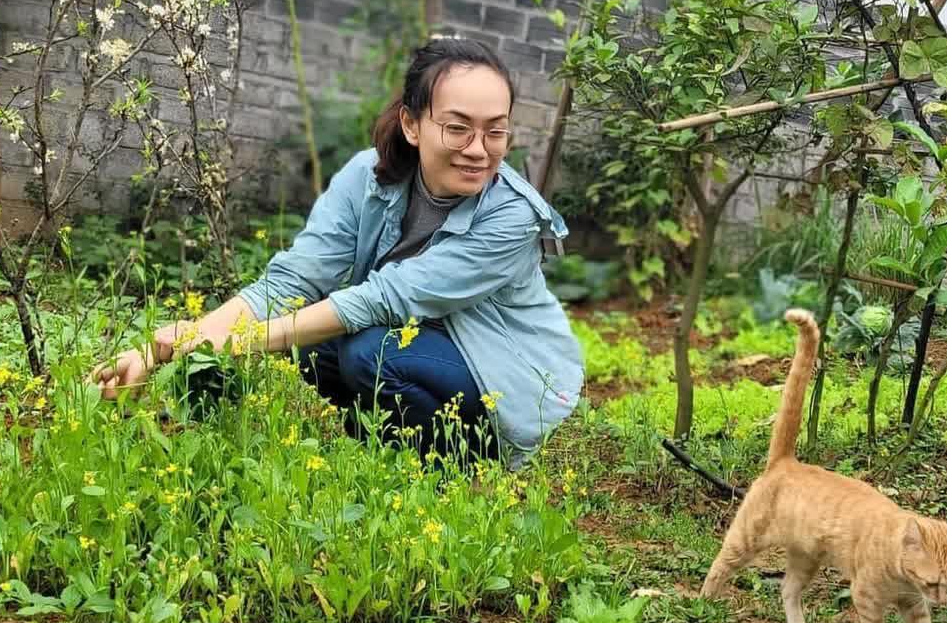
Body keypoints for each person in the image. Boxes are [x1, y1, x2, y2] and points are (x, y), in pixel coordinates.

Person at [93, 37, 583, 467]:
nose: (479, 149)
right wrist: (161, 350)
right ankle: (380, 449)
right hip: (423, 350)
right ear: (412, 125)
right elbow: (292, 283)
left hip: (508, 376)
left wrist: (230, 342)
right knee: (312, 340)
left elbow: (385, 300)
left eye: (495, 131)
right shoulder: (368, 176)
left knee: (369, 351)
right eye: (457, 128)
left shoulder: (512, 216)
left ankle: (461, 464)